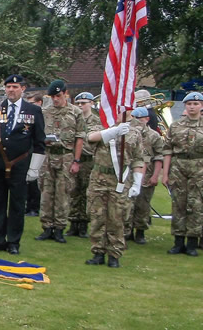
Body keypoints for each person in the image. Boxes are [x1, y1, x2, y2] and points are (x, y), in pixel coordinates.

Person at [0, 74, 46, 255]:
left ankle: (14, 241)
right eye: (8, 87)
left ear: (23, 88)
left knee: (16, 204)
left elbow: (39, 141)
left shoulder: (33, 110)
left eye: (15, 87)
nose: (11, 90)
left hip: (20, 164)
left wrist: (34, 168)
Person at [84, 114, 144, 268]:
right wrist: (113, 131)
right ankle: (98, 252)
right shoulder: (101, 126)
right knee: (97, 216)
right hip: (99, 179)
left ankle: (114, 254)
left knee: (117, 218)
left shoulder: (134, 133)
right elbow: (90, 138)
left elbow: (138, 159)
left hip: (120, 180)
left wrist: (137, 182)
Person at [35, 80, 85, 244]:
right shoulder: (45, 112)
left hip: (66, 156)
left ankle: (59, 228)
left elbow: (79, 139)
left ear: (65, 94)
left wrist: (76, 160)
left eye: (58, 96)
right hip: (48, 155)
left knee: (63, 193)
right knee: (46, 191)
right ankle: (47, 227)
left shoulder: (75, 112)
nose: (55, 99)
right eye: (52, 96)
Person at [162, 92, 203, 257]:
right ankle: (178, 242)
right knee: (178, 203)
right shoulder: (176, 126)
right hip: (178, 166)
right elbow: (167, 150)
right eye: (189, 104)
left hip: (199, 167)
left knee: (196, 205)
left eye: (196, 104)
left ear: (201, 106)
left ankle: (192, 243)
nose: (192, 107)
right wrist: (165, 174)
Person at [126, 107, 163, 245]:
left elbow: (159, 156)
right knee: (127, 204)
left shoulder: (154, 136)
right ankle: (127, 231)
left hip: (146, 174)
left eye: (140, 120)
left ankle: (140, 232)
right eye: (134, 119)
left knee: (143, 204)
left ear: (147, 119)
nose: (136, 123)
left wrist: (155, 176)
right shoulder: (128, 133)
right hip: (130, 173)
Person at [67, 92, 99, 238]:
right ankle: (73, 222)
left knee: (87, 192)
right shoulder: (72, 119)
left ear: (91, 104)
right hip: (74, 159)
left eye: (84, 103)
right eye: (78, 103)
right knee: (73, 191)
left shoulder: (97, 121)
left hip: (89, 160)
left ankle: (84, 224)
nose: (80, 106)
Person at [25, 94, 44, 217]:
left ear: (39, 102)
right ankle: (27, 206)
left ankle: (34, 207)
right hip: (28, 149)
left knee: (35, 182)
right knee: (27, 182)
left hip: (39, 152)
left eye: (32, 103)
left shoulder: (41, 114)